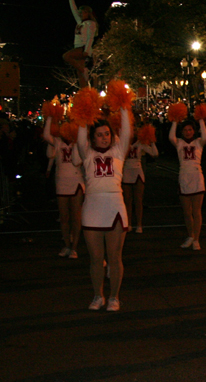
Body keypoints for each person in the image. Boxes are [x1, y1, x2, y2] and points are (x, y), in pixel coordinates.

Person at [73, 110, 131, 311]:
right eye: (99, 134)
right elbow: (81, 136)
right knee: (96, 259)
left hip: (115, 206)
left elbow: (126, 132)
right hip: (92, 208)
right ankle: (98, 295)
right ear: (92, 137)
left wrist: (123, 106)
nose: (104, 138)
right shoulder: (86, 153)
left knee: (114, 257)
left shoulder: (118, 152)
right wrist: (83, 109)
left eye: (107, 134)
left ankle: (114, 297)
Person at [43, 116, 83, 258]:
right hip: (61, 182)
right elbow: (46, 136)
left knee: (76, 216)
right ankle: (66, 244)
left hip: (77, 181)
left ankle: (75, 247)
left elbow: (78, 162)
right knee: (64, 216)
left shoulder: (78, 143)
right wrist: (49, 117)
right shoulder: (58, 142)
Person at [169, 118, 206, 250]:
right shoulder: (179, 143)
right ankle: (190, 235)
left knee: (197, 211)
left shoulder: (198, 142)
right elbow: (171, 137)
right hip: (184, 177)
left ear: (194, 131)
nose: (188, 132)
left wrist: (202, 120)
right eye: (185, 130)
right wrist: (175, 119)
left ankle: (196, 239)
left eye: (190, 129)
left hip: (197, 176)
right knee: (187, 211)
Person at [122, 124, 159, 233]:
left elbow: (155, 154)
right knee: (127, 200)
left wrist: (152, 141)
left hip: (137, 171)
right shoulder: (123, 143)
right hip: (126, 171)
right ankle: (128, 223)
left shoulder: (141, 143)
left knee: (138, 200)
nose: (133, 132)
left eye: (135, 130)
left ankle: (139, 224)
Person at [63, 0, 97, 88]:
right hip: (77, 47)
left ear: (88, 13)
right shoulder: (80, 22)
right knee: (80, 75)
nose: (81, 14)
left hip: (82, 48)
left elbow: (90, 38)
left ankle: (84, 70)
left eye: (83, 12)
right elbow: (73, 10)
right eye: (80, 12)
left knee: (66, 56)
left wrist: (86, 50)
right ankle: (85, 94)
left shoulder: (91, 24)